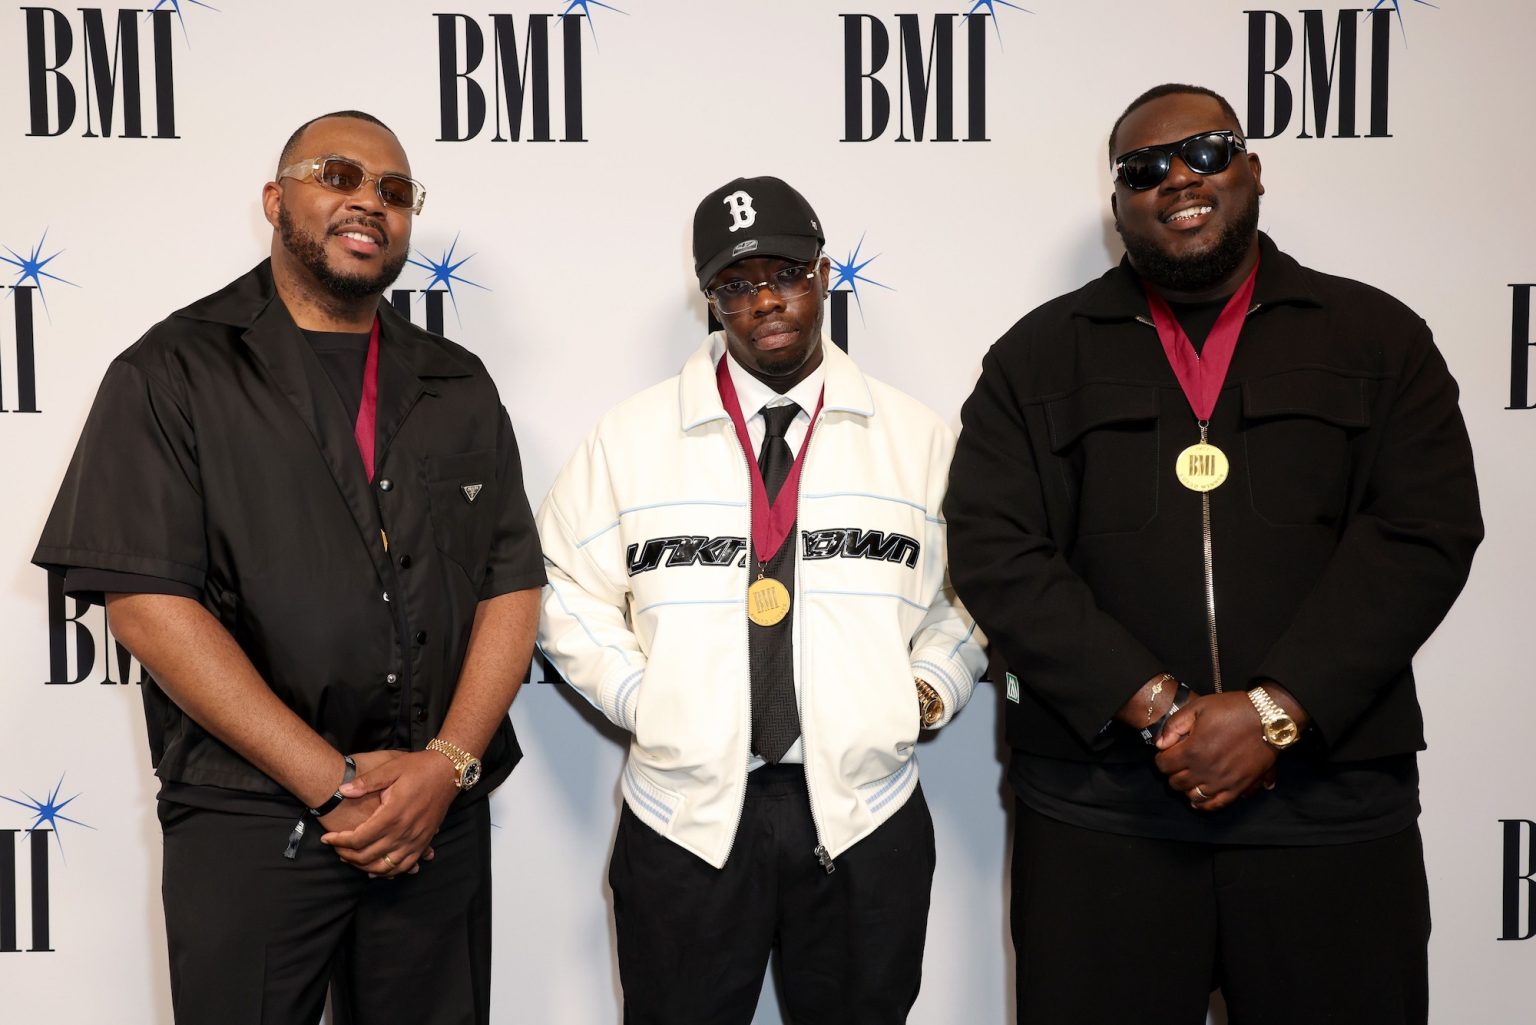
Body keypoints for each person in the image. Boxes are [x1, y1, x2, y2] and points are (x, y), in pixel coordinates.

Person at [944, 84, 1482, 1025]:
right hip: (1102, 816)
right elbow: (997, 550)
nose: (1177, 179)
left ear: (1254, 169)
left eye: (1206, 151)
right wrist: (1160, 711)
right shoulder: (1036, 358)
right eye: (1143, 169)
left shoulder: (1377, 339)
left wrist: (1276, 711)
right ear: (1117, 207)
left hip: (1332, 807)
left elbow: (1423, 532)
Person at [32, 110, 545, 1025]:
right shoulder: (171, 371)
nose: (368, 204)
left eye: (394, 191)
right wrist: (335, 782)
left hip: (433, 819)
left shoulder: (457, 381)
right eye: (338, 176)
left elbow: (510, 582)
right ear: (277, 200)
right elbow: (149, 607)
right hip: (251, 820)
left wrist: (445, 767)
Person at [537, 175, 987, 1024]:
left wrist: (931, 686)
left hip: (866, 809)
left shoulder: (917, 438)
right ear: (709, 299)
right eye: (736, 285)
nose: (765, 301)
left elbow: (978, 590)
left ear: (824, 275)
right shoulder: (630, 439)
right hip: (684, 815)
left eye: (784, 273)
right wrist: (643, 696)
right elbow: (563, 588)